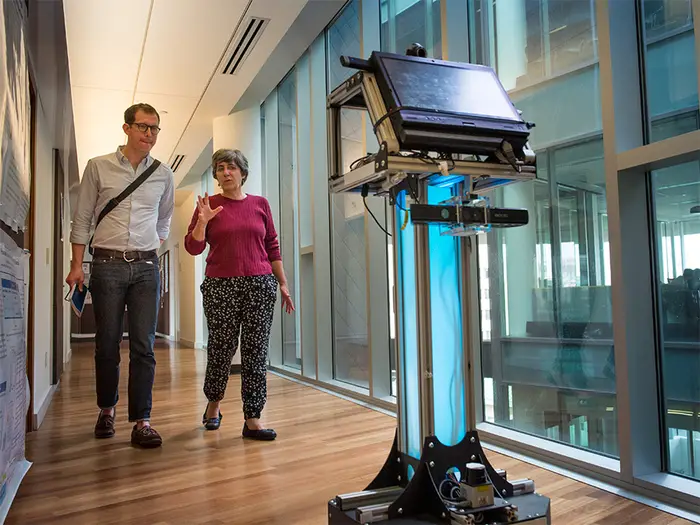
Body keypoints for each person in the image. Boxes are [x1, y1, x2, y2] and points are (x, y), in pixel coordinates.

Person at [66, 103, 174, 447]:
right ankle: (107, 410)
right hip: (106, 266)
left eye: (155, 129)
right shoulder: (98, 167)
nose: (149, 135)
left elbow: (164, 220)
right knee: (107, 342)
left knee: (144, 346)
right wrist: (75, 265)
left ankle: (142, 420)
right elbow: (82, 218)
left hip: (145, 268)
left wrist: (147, 246)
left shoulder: (163, 173)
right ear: (126, 128)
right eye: (143, 127)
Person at [184, 148, 294, 441]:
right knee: (221, 348)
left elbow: (272, 246)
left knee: (256, 351)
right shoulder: (208, 205)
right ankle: (213, 405)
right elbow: (193, 248)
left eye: (231, 167)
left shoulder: (260, 204)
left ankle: (253, 418)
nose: (226, 172)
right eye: (220, 168)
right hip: (221, 286)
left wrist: (282, 283)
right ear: (217, 176)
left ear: (242, 173)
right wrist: (203, 222)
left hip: (260, 284)